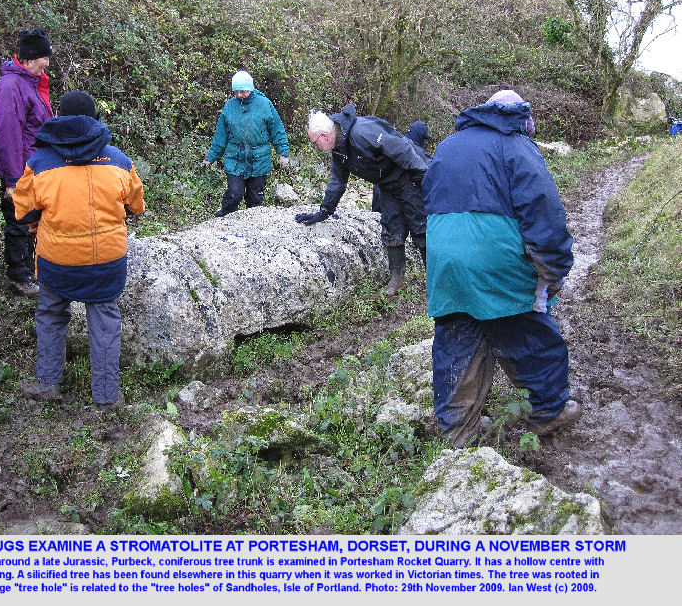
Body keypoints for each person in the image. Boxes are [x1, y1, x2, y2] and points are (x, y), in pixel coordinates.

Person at [422, 89, 581, 448]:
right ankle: (548, 411)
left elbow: (427, 198)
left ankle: (457, 429)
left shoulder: (448, 144)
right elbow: (543, 210)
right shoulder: (516, 144)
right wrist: (554, 267)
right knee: (529, 331)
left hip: (444, 259)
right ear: (521, 117)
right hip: (493, 259)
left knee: (457, 335)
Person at [13, 90, 145, 410]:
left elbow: (24, 211)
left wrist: (39, 226)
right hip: (106, 260)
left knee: (51, 314)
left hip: (57, 260)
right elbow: (136, 206)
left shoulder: (40, 163)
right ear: (95, 120)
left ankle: (47, 383)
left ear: (59, 119)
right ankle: (106, 396)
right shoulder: (119, 160)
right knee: (105, 321)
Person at [298, 106, 430, 296]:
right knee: (391, 228)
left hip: (408, 176)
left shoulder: (362, 132)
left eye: (314, 142)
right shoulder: (339, 149)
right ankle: (397, 278)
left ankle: (434, 279)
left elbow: (401, 148)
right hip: (386, 184)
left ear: (325, 136)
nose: (315, 147)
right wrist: (325, 210)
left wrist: (423, 176)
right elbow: (337, 180)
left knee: (421, 227)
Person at [0, 27, 54, 296]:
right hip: (21, 171)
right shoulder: (11, 87)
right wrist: (12, 180)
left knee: (32, 222)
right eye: (44, 58)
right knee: (19, 223)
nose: (47, 63)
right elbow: (8, 135)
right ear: (29, 59)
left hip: (36, 168)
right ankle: (18, 276)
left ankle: (31, 269)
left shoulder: (31, 82)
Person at [202, 70, 289, 216]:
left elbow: (277, 130)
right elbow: (220, 136)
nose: (240, 95)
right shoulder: (229, 107)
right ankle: (224, 220)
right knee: (234, 194)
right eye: (236, 92)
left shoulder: (264, 104)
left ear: (251, 88)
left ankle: (253, 228)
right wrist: (210, 158)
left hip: (259, 159)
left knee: (255, 199)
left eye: (243, 91)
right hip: (235, 159)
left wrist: (283, 153)